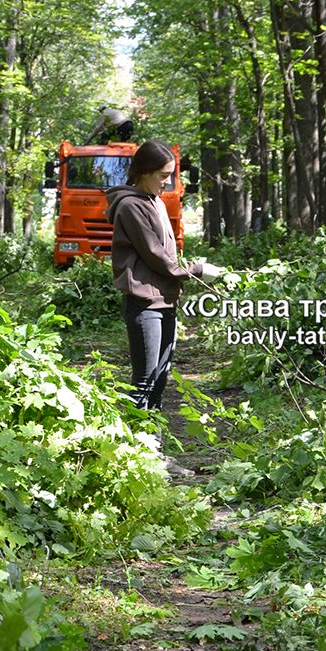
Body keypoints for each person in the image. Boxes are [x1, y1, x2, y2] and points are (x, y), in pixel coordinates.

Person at [105, 141, 219, 465]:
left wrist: (188, 269)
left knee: (160, 379)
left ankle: (153, 453)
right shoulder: (130, 207)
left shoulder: (152, 200)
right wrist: (196, 271)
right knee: (144, 380)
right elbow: (157, 256)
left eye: (171, 175)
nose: (168, 182)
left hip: (165, 301)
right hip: (144, 304)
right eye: (163, 175)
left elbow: (169, 253)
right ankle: (134, 457)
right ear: (144, 172)